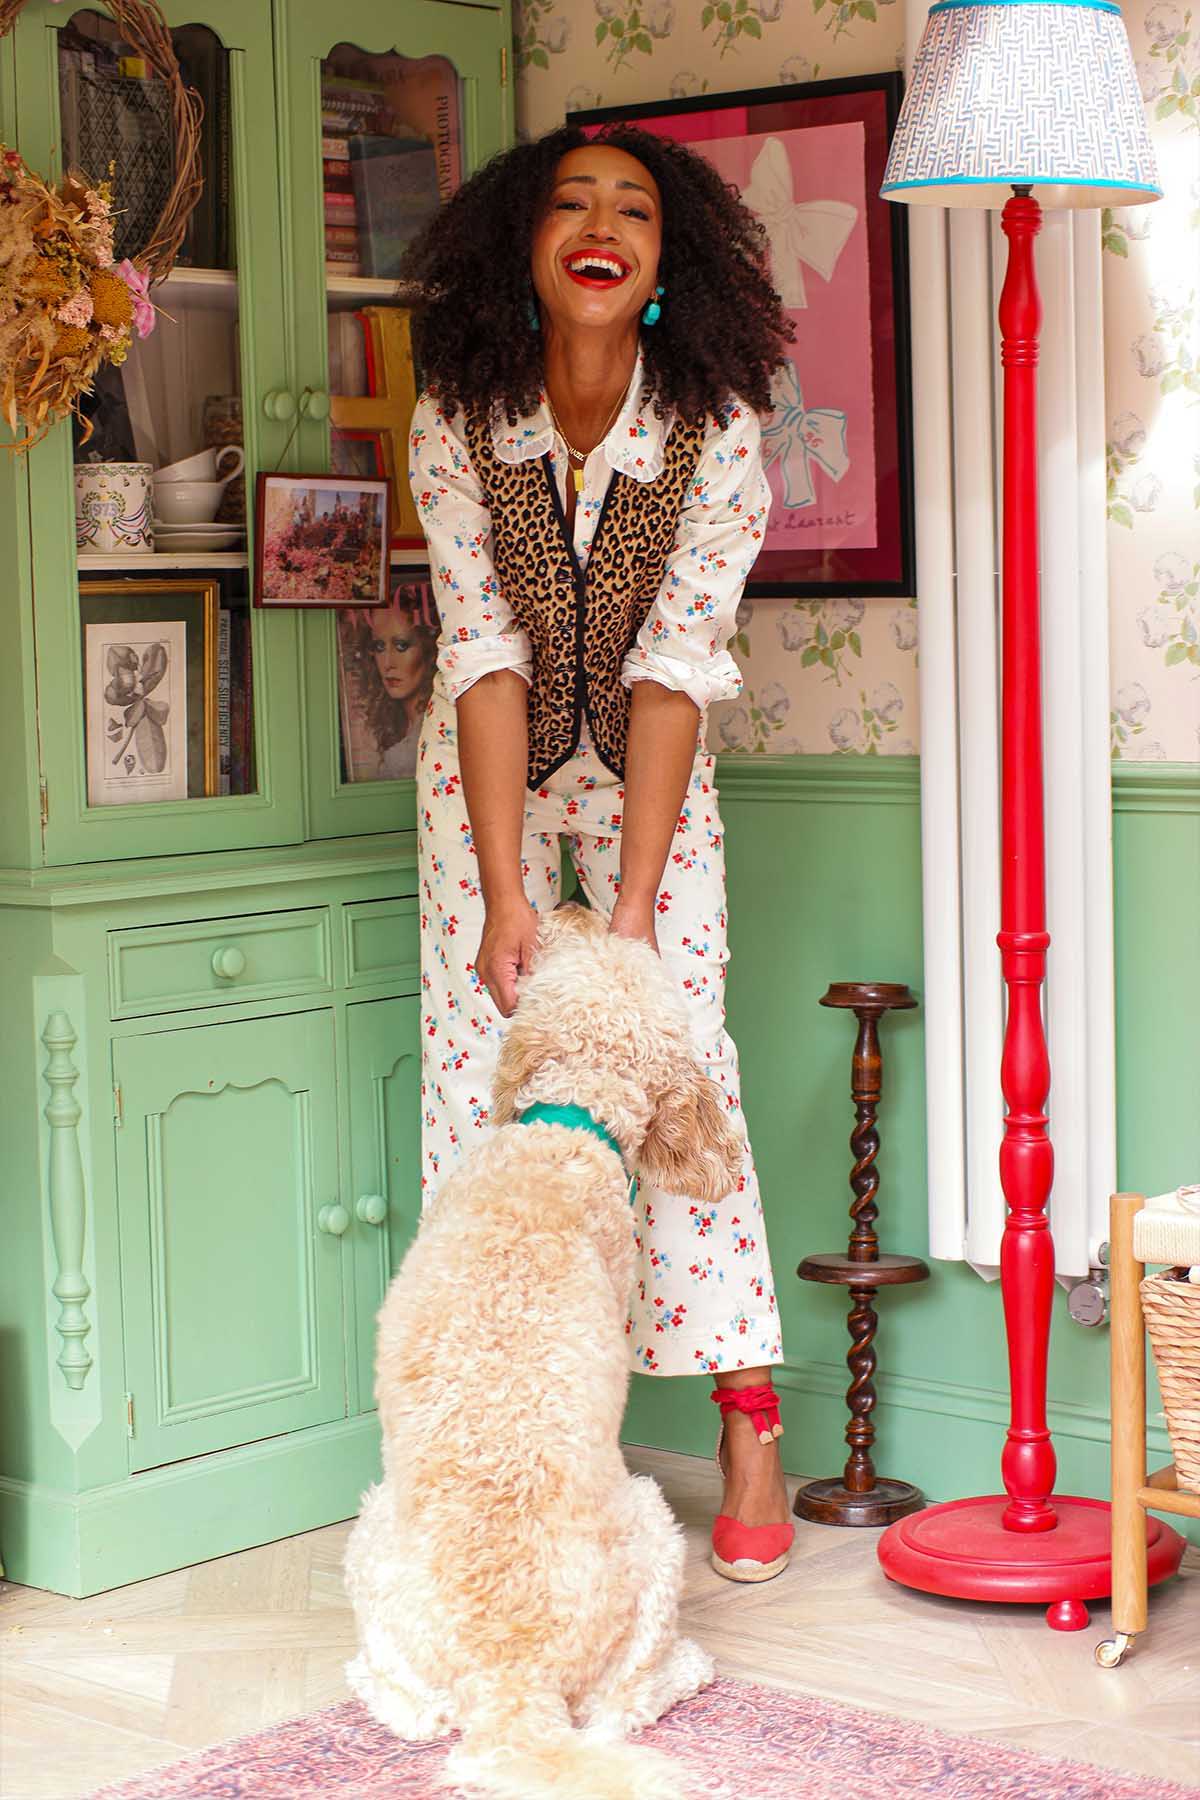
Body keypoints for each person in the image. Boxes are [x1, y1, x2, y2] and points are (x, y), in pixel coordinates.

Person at [402, 122, 796, 1581]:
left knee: (677, 1072)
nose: (601, 222)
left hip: (653, 784)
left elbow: (679, 666)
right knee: (482, 1095)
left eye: (633, 208)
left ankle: (747, 1414)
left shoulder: (717, 424)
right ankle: (501, 1441)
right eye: (570, 201)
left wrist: (629, 907)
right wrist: (509, 892)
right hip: (483, 790)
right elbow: (481, 646)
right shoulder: (461, 408)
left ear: (663, 263)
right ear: (525, 243)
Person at [338, 587, 437, 780]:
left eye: (401, 646)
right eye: (379, 647)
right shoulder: (390, 725)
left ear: (428, 649)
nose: (388, 663)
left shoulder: (436, 727)